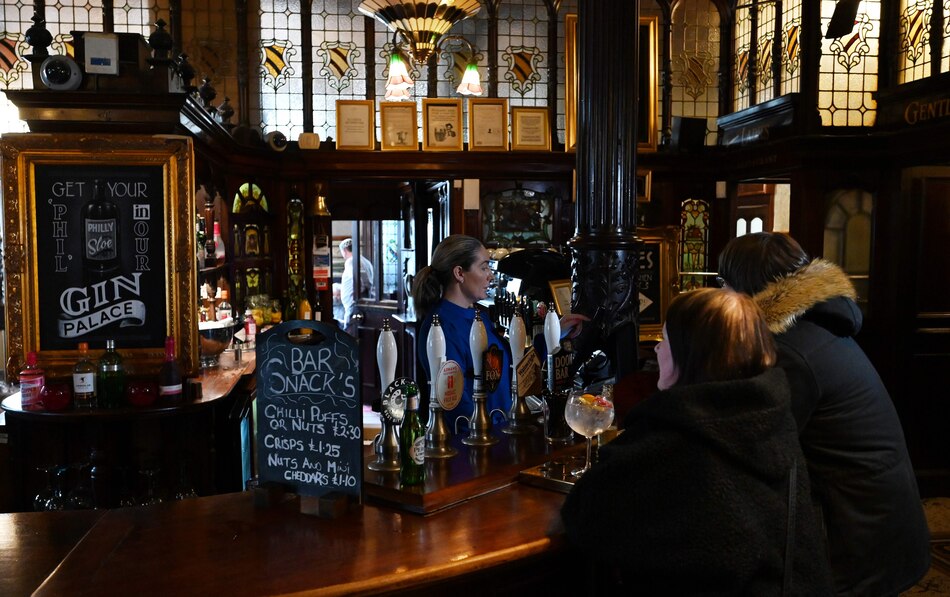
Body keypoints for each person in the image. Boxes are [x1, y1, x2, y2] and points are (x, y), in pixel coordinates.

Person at [560, 289, 834, 595]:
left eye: (666, 340)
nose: (658, 349)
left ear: (690, 355)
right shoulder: (769, 417)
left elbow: (585, 515)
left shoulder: (674, 438)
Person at [717, 232, 930, 596]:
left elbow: (754, 448)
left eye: (724, 284)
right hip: (881, 522)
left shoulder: (790, 351)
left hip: (853, 535)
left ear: (743, 288)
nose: (720, 295)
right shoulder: (816, 325)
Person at [412, 235, 587, 426]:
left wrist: (554, 333)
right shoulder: (442, 328)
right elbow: (457, 407)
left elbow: (515, 368)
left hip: (500, 434)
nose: (491, 276)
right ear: (459, 273)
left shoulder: (478, 317)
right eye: (484, 267)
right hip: (477, 443)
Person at [339, 238, 373, 332]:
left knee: (350, 335)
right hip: (361, 304)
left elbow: (358, 280)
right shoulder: (366, 261)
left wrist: (357, 297)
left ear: (345, 250)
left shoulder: (351, 261)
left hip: (354, 305)